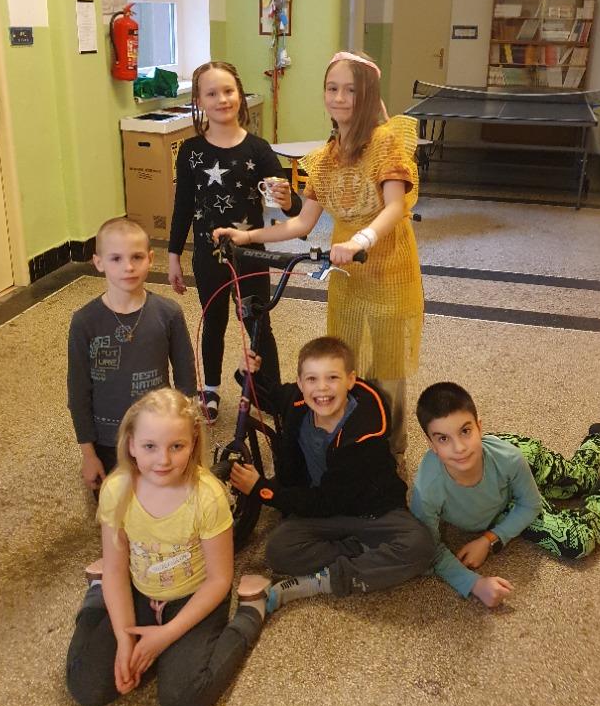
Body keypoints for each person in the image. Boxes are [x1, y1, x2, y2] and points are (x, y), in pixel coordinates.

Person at [213, 52, 424, 465]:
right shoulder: (327, 156)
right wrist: (248, 235)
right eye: (332, 88)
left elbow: (395, 206)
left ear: (368, 94)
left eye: (351, 90)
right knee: (346, 361)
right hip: (347, 274)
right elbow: (301, 223)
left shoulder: (385, 143)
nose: (340, 97)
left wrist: (362, 239)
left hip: (389, 268)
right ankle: (352, 441)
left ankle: (390, 455)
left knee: (386, 367)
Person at [66, 388, 270, 706]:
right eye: (150, 446)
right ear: (131, 445)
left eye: (177, 446)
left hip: (195, 597)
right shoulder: (116, 489)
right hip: (139, 589)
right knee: (86, 687)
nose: (163, 460)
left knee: (182, 700)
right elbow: (115, 569)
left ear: (193, 444)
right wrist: (124, 639)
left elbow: (220, 580)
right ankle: (96, 599)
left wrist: (166, 636)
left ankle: (249, 616)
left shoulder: (208, 496)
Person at [410, 382, 600, 609]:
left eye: (465, 431)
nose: (459, 447)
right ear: (431, 445)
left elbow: (530, 503)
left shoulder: (509, 457)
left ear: (479, 427)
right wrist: (474, 584)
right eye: (443, 438)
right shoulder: (427, 489)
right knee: (576, 542)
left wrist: (488, 540)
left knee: (579, 479)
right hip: (503, 504)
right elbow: (427, 549)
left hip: (520, 459)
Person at [228, 337, 435, 612]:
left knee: (420, 545)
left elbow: (327, 501)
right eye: (312, 379)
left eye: (332, 378)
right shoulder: (298, 401)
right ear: (300, 384)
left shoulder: (364, 435)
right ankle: (361, 551)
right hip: (319, 512)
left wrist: (263, 490)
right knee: (278, 550)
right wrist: (249, 374)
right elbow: (271, 397)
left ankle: (322, 581)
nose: (322, 388)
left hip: (371, 512)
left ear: (350, 380)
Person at [168, 60, 302, 425]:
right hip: (207, 256)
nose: (222, 99)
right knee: (213, 322)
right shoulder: (191, 151)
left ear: (239, 94)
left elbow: (292, 208)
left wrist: (287, 199)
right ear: (199, 100)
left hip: (250, 254)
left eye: (228, 91)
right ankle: (210, 390)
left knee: (257, 324)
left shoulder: (258, 149)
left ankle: (269, 393)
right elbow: (182, 206)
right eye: (211, 93)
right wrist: (173, 255)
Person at [68, 217, 197, 495]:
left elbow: (186, 379)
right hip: (108, 440)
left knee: (163, 501)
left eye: (137, 257)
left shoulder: (169, 313)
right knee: (115, 505)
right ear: (99, 262)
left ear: (150, 259)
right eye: (116, 258)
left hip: (159, 436)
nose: (128, 267)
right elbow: (78, 392)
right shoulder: (84, 321)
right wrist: (88, 454)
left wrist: (186, 436)